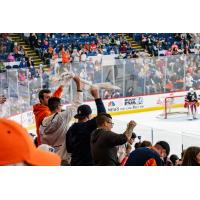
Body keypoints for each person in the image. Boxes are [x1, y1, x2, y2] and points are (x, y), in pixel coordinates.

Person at [39, 77, 83, 165]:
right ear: (59, 106)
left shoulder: (43, 122)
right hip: (63, 159)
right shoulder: (62, 117)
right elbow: (77, 104)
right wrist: (78, 84)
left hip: (50, 159)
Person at [66, 87, 106, 166]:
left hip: (74, 163)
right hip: (88, 163)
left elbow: (69, 149)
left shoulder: (70, 129)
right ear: (88, 116)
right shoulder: (88, 126)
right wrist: (97, 97)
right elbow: (103, 116)